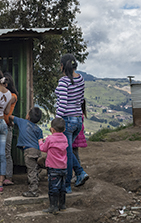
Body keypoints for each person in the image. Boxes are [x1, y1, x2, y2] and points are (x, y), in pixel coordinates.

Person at [55, 54, 89, 193]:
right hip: (77, 120)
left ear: (63, 66)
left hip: (67, 121)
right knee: (68, 151)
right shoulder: (80, 78)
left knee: (67, 153)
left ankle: (67, 184)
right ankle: (80, 172)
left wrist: (56, 121)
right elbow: (81, 100)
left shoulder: (64, 81)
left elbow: (62, 103)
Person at [9, 107, 44, 197]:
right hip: (37, 150)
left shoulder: (22, 122)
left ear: (28, 116)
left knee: (31, 170)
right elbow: (41, 141)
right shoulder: (38, 129)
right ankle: (36, 177)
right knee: (34, 168)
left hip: (29, 151)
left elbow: (10, 116)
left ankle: (33, 191)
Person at [39, 117, 68, 214]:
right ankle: (62, 205)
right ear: (64, 129)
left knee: (53, 187)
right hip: (63, 167)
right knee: (62, 187)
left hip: (53, 167)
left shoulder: (50, 139)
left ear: (52, 129)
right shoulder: (65, 138)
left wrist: (40, 142)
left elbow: (43, 149)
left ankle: (53, 206)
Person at [3, 72, 18, 186]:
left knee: (6, 152)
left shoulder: (13, 96)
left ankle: (8, 176)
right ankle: (1, 175)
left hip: (7, 125)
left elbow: (4, 106)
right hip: (2, 124)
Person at [72, 99, 88, 165]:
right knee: (75, 153)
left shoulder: (77, 114)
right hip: (78, 137)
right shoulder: (81, 114)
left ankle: (78, 170)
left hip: (75, 137)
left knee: (74, 154)